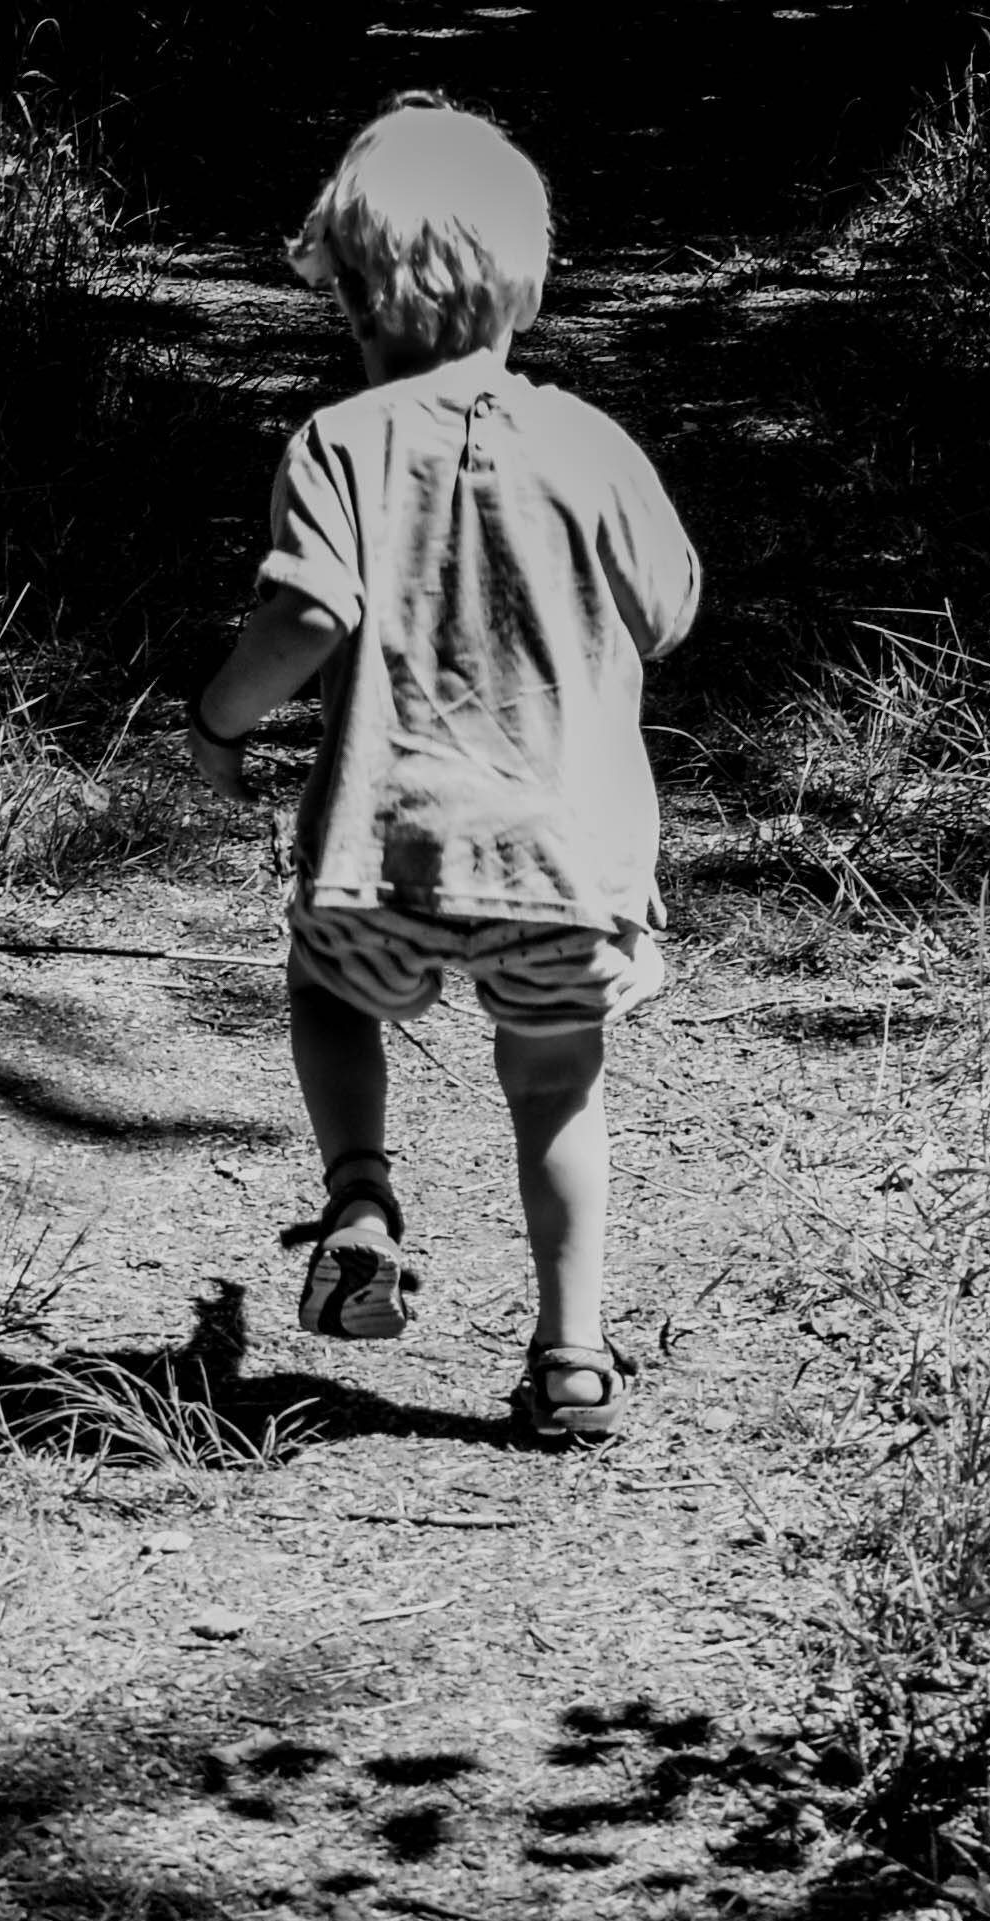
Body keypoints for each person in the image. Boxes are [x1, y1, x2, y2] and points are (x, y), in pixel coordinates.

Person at [189, 103, 700, 1449]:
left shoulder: (341, 443)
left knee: (327, 987)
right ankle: (574, 1356)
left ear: (357, 294)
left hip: (388, 859)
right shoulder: (595, 447)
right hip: (565, 872)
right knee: (556, 1087)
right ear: (522, 280)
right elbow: (669, 609)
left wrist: (220, 720)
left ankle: (359, 1193)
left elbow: (305, 615)